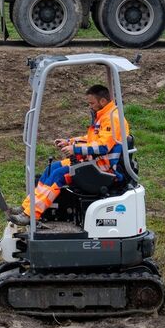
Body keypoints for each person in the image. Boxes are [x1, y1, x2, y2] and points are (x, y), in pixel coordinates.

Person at [11, 84, 131, 224]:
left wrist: (75, 149)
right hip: (94, 162)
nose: (90, 106)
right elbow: (91, 140)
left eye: (92, 103)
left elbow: (103, 147)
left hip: (103, 168)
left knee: (59, 174)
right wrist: (69, 142)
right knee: (52, 168)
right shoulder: (105, 116)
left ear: (103, 101)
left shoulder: (112, 119)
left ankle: (30, 215)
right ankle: (27, 206)